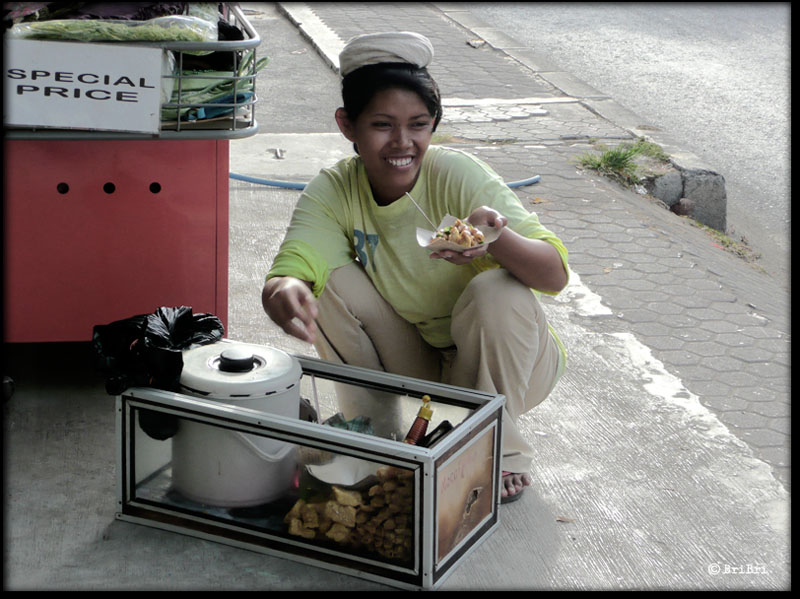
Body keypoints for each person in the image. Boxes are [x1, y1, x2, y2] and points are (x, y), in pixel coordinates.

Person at [262, 31, 569, 503]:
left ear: (433, 125)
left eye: (419, 125)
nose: (402, 143)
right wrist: (284, 289)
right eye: (382, 125)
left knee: (498, 290)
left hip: (514, 366)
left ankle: (496, 447)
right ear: (348, 125)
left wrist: (494, 238)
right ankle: (378, 436)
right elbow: (296, 261)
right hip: (422, 359)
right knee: (323, 284)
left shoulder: (457, 175)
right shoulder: (334, 190)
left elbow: (554, 275)